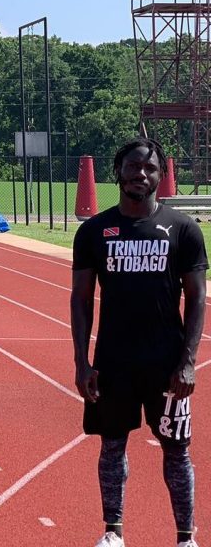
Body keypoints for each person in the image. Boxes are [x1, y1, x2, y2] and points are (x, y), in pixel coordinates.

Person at [71, 137, 206, 547]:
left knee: (177, 451)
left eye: (149, 169)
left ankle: (185, 537)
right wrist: (81, 362)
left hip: (167, 363)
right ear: (119, 172)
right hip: (113, 362)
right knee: (112, 447)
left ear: (160, 175)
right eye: (133, 167)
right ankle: (113, 533)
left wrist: (188, 361)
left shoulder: (183, 229)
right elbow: (81, 299)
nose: (140, 174)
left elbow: (198, 298)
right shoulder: (95, 231)